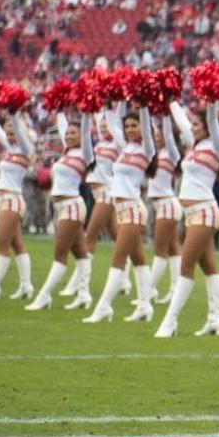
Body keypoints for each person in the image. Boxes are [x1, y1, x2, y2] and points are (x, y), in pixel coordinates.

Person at [154, 100, 219, 338]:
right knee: (209, 267)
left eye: (197, 124)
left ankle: (170, 321)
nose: (193, 127)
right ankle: (215, 319)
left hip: (205, 211)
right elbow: (181, 121)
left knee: (186, 265)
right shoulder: (194, 146)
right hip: (192, 214)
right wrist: (170, 98)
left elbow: (213, 122)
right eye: (193, 124)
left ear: (208, 124)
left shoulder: (217, 145)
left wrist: (212, 100)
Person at [82, 107, 156, 323]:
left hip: (133, 209)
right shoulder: (125, 148)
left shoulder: (147, 149)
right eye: (127, 126)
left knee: (118, 259)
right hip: (122, 210)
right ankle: (145, 306)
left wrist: (143, 106)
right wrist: (105, 104)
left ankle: (103, 307)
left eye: (134, 126)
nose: (130, 129)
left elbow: (146, 128)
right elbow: (112, 125)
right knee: (138, 258)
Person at [57, 109, 132, 304]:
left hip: (106, 193)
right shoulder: (98, 145)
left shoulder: (118, 143)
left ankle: (78, 285)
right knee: (119, 237)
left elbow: (114, 121)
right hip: (95, 193)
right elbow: (80, 128)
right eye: (102, 124)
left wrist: (109, 106)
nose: (104, 126)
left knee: (89, 237)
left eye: (108, 123)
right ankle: (125, 280)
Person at [25, 112, 94, 311]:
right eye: (68, 133)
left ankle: (44, 295)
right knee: (80, 252)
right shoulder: (66, 153)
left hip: (72, 206)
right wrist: (59, 109)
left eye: (75, 133)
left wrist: (87, 112)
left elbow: (85, 131)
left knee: (60, 253)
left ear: (83, 135)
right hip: (61, 207)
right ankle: (84, 294)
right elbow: (63, 124)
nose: (70, 136)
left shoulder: (86, 153)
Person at [0, 111, 36, 301]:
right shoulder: (10, 148)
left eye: (13, 132)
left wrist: (14, 114)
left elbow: (18, 131)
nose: (10, 136)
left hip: (12, 200)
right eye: (8, 132)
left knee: (1, 244)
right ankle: (26, 285)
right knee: (17, 244)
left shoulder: (26, 148)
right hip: (5, 199)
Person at [147, 114, 183, 304]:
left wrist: (166, 112)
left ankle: (147, 291)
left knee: (159, 249)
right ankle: (174, 290)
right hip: (160, 204)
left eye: (160, 135)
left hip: (167, 204)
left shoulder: (171, 153)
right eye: (156, 135)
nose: (158, 137)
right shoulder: (154, 154)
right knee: (172, 249)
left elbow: (168, 134)